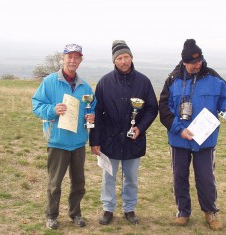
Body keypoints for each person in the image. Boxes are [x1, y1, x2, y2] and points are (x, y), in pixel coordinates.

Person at [159, 39, 226, 230]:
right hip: (179, 139)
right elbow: (164, 108)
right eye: (193, 62)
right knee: (180, 177)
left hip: (205, 140)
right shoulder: (172, 79)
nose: (197, 64)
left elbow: (224, 104)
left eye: (200, 60)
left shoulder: (215, 78)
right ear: (184, 62)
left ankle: (211, 212)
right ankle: (183, 212)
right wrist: (179, 130)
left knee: (206, 178)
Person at [90, 40, 158, 225]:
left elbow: (152, 108)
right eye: (119, 58)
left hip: (133, 139)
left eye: (126, 57)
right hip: (109, 139)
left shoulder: (143, 81)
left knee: (131, 178)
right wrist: (95, 140)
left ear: (131, 58)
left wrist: (140, 127)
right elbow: (97, 112)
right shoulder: (104, 82)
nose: (123, 61)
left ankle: (129, 208)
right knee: (108, 177)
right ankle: (108, 209)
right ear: (114, 61)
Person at [32, 43, 96, 230]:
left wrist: (90, 116)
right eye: (69, 56)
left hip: (77, 142)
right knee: (55, 184)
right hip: (58, 141)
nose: (73, 60)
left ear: (80, 60)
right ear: (63, 58)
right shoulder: (50, 82)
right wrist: (52, 110)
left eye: (77, 57)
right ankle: (51, 216)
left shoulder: (85, 87)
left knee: (79, 183)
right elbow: (36, 105)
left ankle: (75, 214)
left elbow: (92, 108)